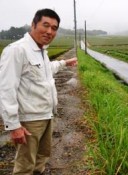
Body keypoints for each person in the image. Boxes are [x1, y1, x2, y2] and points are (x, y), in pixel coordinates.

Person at [0, 8, 77, 174]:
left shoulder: (41, 51)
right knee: (25, 165)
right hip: (30, 120)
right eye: (46, 25)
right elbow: (6, 89)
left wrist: (65, 63)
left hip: (47, 115)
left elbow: (47, 69)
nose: (50, 31)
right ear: (33, 24)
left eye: (54, 28)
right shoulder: (17, 50)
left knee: (42, 157)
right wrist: (14, 125)